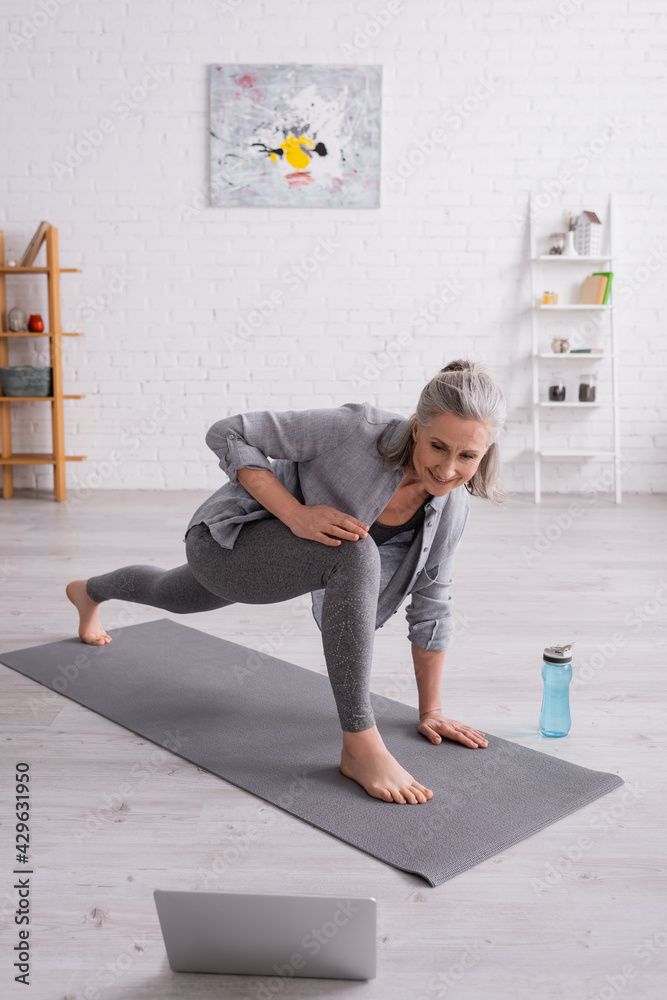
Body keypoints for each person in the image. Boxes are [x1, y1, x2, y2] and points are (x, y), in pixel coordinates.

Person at [66, 359, 506, 805]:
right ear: (416, 429)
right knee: (356, 549)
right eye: (438, 447)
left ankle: (88, 591)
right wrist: (295, 515)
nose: (448, 469)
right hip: (227, 540)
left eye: (467, 456)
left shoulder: (450, 509)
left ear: (484, 453)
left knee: (169, 593)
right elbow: (227, 431)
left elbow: (432, 601)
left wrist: (430, 711)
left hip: (277, 569)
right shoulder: (356, 430)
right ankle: (360, 744)